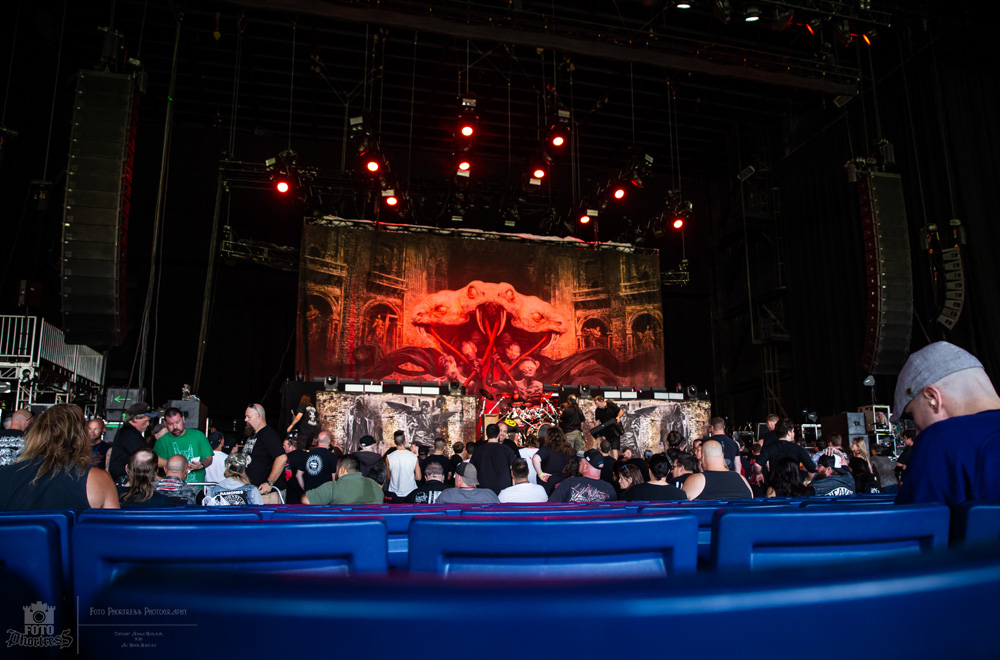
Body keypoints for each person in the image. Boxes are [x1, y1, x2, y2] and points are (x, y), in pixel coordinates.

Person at [892, 342, 1000, 505]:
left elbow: (913, 527)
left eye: (912, 415)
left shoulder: (943, 439)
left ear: (932, 398)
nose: (918, 432)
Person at [0, 404, 118, 511]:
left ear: (37, 433)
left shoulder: (5, 475)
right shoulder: (99, 480)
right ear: (80, 436)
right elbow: (112, 531)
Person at [154, 408, 213, 482]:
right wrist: (179, 465)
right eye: (170, 424)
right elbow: (155, 461)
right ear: (165, 424)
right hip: (172, 487)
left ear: (183, 419)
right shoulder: (161, 441)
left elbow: (209, 458)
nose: (175, 427)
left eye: (177, 422)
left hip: (196, 487)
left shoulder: (198, 435)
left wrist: (201, 465)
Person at [241, 404, 287, 498]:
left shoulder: (268, 434)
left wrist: (269, 483)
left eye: (248, 417)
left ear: (259, 417)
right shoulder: (253, 435)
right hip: (254, 492)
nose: (245, 420)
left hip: (267, 494)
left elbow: (282, 457)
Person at [682, 440, 753, 500]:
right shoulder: (742, 479)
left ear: (703, 458)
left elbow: (683, 508)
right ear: (722, 455)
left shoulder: (695, 480)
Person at [107, 402, 159, 483]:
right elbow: (146, 458)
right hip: (124, 479)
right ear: (135, 419)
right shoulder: (128, 434)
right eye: (146, 421)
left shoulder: (131, 433)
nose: (148, 424)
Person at [755, 418, 816, 486]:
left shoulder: (769, 448)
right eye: (793, 431)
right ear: (789, 433)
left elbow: (757, 465)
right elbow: (812, 469)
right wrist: (807, 481)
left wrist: (759, 473)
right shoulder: (798, 449)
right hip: (794, 487)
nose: (794, 433)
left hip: (775, 486)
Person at [302, 455, 384, 505]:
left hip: (341, 532)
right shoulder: (375, 486)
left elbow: (306, 500)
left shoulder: (332, 487)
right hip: (370, 532)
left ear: (342, 470)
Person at [548, 449, 617, 503]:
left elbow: (551, 507)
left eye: (581, 461)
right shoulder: (610, 489)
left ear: (586, 466)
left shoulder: (569, 483)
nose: (579, 463)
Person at [471, 423, 518, 494]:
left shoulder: (478, 450)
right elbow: (514, 469)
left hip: (483, 488)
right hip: (503, 488)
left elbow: (471, 469)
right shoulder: (507, 450)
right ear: (498, 434)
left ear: (486, 434)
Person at [531, 427, 575, 496]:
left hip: (548, 482)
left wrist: (540, 474)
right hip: (565, 482)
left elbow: (535, 458)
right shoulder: (569, 450)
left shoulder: (546, 449)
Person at [386, 431, 421, 498]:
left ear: (395, 442)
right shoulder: (413, 457)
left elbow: (389, 476)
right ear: (405, 441)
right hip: (411, 492)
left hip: (394, 493)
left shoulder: (389, 457)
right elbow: (418, 477)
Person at [593, 395, 624, 459]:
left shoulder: (610, 405)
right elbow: (597, 422)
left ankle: (615, 463)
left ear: (601, 401)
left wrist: (618, 417)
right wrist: (596, 431)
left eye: (597, 404)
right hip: (606, 430)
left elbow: (621, 411)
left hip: (614, 429)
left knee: (614, 447)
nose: (597, 405)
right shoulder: (598, 410)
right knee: (605, 447)